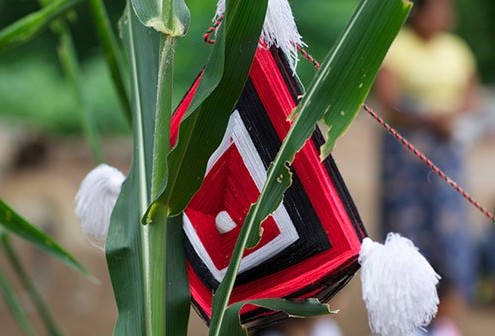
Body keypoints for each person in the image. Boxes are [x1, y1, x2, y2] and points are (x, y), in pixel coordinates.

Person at [374, 0, 479, 335]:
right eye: (438, 9)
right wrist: (433, 118)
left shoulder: (456, 49)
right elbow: (388, 102)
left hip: (447, 154)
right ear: (418, 12)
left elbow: (470, 94)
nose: (446, 16)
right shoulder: (397, 47)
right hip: (407, 157)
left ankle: (445, 320)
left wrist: (453, 116)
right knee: (408, 232)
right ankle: (406, 320)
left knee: (449, 233)